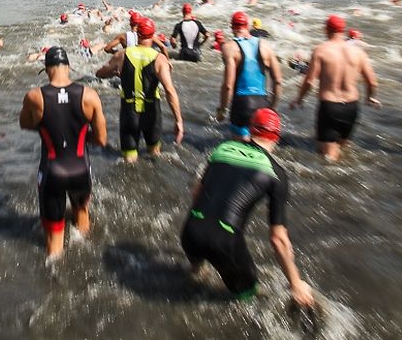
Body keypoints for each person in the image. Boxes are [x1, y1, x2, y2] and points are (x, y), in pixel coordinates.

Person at [181, 109, 314, 305]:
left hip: (191, 231)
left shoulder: (222, 149)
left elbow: (196, 194)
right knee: (249, 301)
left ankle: (194, 274)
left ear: (251, 130)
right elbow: (278, 239)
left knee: (195, 279)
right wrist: (296, 283)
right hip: (223, 241)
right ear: (276, 137)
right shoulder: (276, 173)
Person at [18, 47, 108, 259]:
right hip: (80, 169)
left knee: (54, 247)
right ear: (68, 67)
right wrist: (81, 134)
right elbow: (101, 140)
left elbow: (25, 124)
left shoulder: (34, 96)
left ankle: (56, 278)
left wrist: (48, 128)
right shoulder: (90, 95)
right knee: (83, 222)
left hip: (52, 172)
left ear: (46, 69)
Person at [292, 14, 379, 162]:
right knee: (344, 147)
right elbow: (372, 82)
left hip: (330, 107)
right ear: (343, 30)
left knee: (327, 156)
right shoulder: (359, 52)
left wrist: (299, 99)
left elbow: (309, 81)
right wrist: (370, 97)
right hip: (352, 107)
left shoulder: (321, 50)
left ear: (326, 30)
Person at [98, 18, 184, 160]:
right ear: (152, 35)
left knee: (129, 159)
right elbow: (170, 91)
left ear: (138, 34)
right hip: (152, 111)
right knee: (155, 154)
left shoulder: (122, 55)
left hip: (129, 111)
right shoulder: (160, 59)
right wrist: (178, 120)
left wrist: (115, 71)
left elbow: (100, 73)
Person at [217, 12, 283, 137]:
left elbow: (228, 86)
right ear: (247, 26)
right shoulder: (266, 46)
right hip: (263, 104)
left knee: (240, 149)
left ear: (232, 27)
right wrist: (273, 108)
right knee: (261, 148)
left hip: (242, 104)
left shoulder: (229, 47)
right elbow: (278, 81)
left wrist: (222, 109)